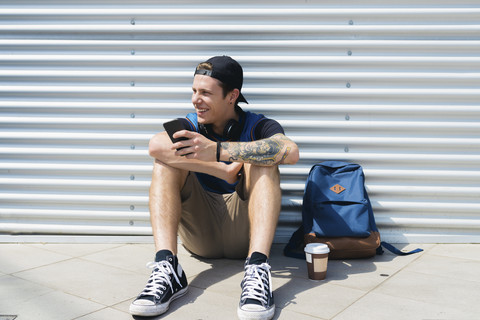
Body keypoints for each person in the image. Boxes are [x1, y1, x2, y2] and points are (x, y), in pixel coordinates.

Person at [129, 56, 299, 320]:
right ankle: (167, 267)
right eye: (194, 91)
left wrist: (218, 150)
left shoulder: (258, 124)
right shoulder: (191, 125)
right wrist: (220, 168)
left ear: (232, 96)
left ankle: (257, 270)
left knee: (265, 159)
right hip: (201, 234)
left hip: (245, 234)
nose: (196, 100)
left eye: (206, 93)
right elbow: (155, 146)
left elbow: (290, 151)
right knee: (165, 162)